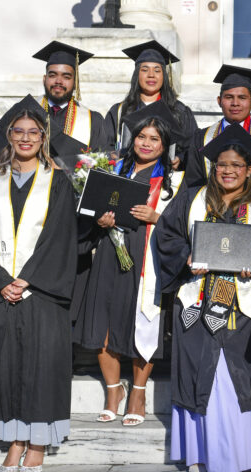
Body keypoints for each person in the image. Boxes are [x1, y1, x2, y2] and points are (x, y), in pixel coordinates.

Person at [155, 124, 251, 472]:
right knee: (197, 374)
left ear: (249, 170)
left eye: (237, 165)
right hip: (196, 300)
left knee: (236, 378)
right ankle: (196, 455)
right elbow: (166, 236)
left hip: (241, 305)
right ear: (212, 166)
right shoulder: (191, 198)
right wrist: (187, 257)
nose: (229, 171)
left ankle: (236, 456)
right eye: (222, 164)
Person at [0, 95, 78, 472]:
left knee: (41, 365)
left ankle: (36, 442)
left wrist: (27, 278)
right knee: (5, 365)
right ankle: (14, 439)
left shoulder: (59, 182)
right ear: (8, 136)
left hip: (42, 292)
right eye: (18, 131)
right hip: (1, 291)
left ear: (43, 138)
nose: (25, 138)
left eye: (33, 132)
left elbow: (60, 236)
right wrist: (0, 282)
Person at [76, 102, 186, 426]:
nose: (146, 143)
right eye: (141, 136)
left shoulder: (174, 183)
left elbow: (184, 227)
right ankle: (114, 391)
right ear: (132, 138)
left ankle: (138, 391)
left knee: (142, 324)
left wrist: (157, 217)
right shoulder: (112, 169)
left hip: (146, 257)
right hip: (109, 253)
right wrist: (100, 220)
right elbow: (88, 210)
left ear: (164, 146)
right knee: (104, 325)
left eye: (154, 139)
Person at [182, 65, 251, 207]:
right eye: (229, 97)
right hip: (211, 210)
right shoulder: (202, 138)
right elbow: (193, 181)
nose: (235, 103)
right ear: (219, 101)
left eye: (242, 98)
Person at [0, 41, 107, 163]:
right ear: (44, 79)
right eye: (52, 75)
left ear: (75, 82)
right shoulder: (24, 109)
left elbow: (100, 165)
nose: (58, 81)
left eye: (66, 77)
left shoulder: (93, 120)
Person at [105, 40, 198, 158]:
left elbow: (193, 146)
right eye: (144, 70)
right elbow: (106, 146)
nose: (151, 75)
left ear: (164, 76)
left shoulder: (179, 111)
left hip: (167, 175)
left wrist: (180, 160)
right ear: (136, 75)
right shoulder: (118, 111)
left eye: (157, 70)